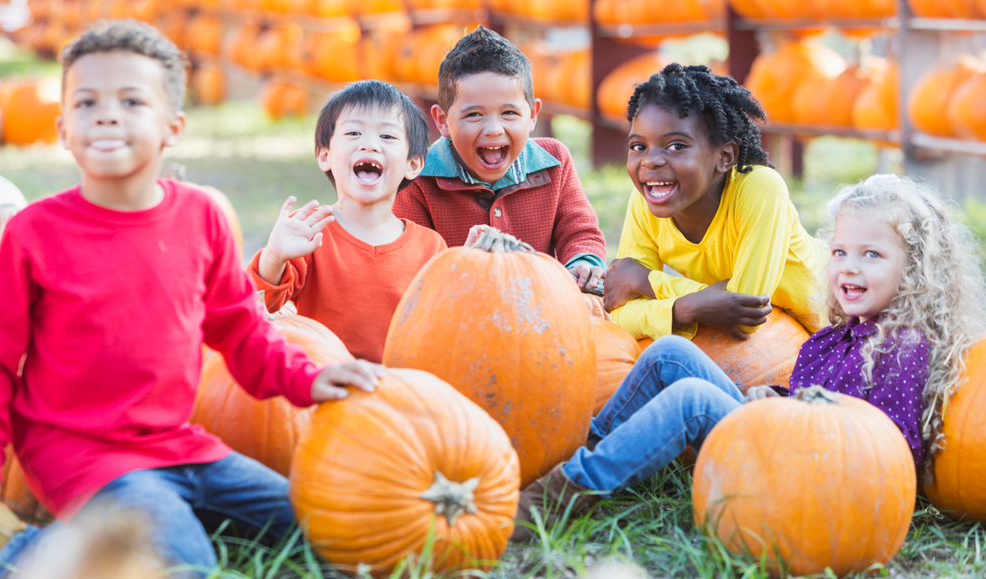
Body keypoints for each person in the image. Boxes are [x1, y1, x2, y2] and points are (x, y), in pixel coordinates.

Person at [0, 20, 383, 579]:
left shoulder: (203, 216)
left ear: (173, 126)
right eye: (88, 101)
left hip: (180, 443)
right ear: (63, 128)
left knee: (331, 530)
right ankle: (11, 547)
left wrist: (307, 380)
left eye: (131, 100)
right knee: (187, 569)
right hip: (77, 452)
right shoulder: (32, 234)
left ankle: (162, 514)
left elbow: (241, 332)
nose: (107, 113)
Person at [512, 173, 986, 541]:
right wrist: (773, 396)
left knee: (694, 399)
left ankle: (558, 499)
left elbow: (893, 447)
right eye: (840, 251)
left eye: (872, 255)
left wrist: (800, 413)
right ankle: (579, 452)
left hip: (821, 484)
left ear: (916, 270)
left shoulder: (902, 347)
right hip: (785, 443)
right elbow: (800, 397)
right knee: (670, 352)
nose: (848, 267)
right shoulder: (832, 338)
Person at [603, 63, 827, 341]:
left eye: (676, 146)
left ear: (724, 157)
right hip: (766, 344)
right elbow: (620, 314)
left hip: (835, 332)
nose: (650, 160)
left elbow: (745, 312)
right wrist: (686, 309)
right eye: (638, 147)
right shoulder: (646, 200)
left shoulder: (760, 188)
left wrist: (643, 281)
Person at [392, 26, 607, 292]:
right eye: (474, 115)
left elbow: (579, 231)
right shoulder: (416, 179)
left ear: (532, 115)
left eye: (508, 113)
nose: (494, 129)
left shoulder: (555, 161)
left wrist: (582, 261)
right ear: (442, 121)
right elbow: (412, 268)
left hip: (542, 311)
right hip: (454, 317)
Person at [247, 80, 447, 364]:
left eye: (387, 137)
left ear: (413, 164)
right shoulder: (309, 233)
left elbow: (444, 326)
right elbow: (265, 301)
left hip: (403, 390)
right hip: (327, 385)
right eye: (354, 133)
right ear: (325, 155)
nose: (369, 145)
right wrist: (275, 256)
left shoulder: (430, 247)